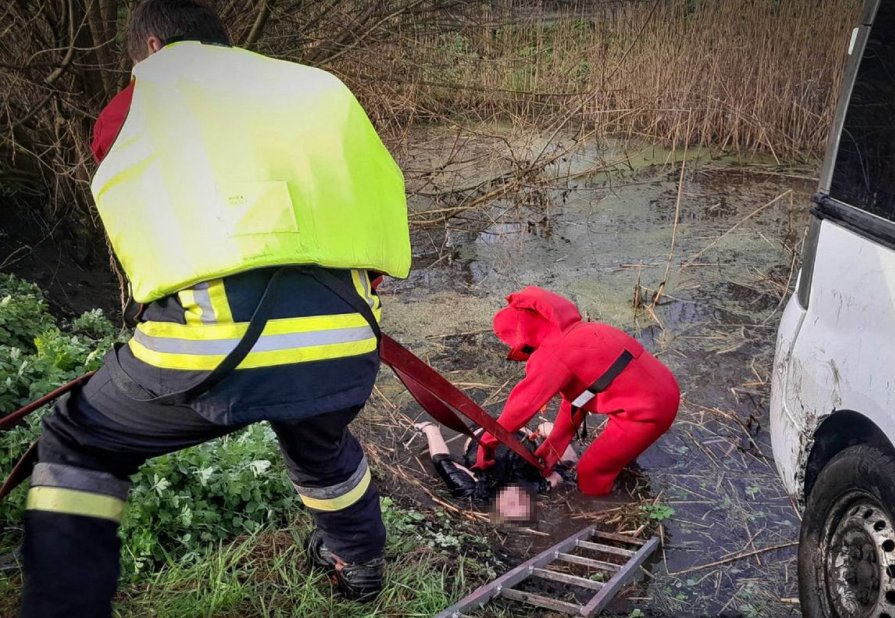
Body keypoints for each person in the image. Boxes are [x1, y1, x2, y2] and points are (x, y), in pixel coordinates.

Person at [20, 1, 410, 614]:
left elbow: (143, 210)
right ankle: (357, 564)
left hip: (212, 345)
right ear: (224, 43)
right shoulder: (315, 90)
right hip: (348, 335)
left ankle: (63, 605)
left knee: (78, 439)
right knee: (321, 445)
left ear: (151, 48)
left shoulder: (141, 101)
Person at [476, 287, 680, 496]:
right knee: (612, 457)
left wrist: (488, 442)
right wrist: (556, 443)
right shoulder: (588, 331)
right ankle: (622, 470)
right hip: (664, 391)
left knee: (590, 472)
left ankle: (604, 506)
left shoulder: (554, 353)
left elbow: (522, 405)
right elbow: (582, 396)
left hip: (645, 414)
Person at [416, 421, 577, 521]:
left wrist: (430, 429)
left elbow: (441, 460)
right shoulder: (534, 486)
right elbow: (567, 465)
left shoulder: (472, 491)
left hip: (484, 428)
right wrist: (550, 430)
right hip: (519, 430)